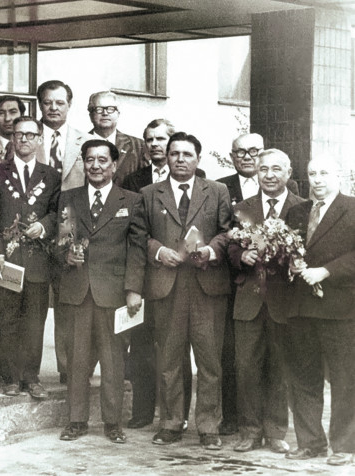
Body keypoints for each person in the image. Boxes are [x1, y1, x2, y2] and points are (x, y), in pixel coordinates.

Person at [137, 132, 232, 450]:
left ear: (198, 159)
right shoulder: (149, 193)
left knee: (209, 360)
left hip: (207, 286)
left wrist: (211, 250)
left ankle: (209, 426)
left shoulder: (217, 191)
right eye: (174, 153)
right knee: (170, 359)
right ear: (166, 157)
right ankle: (171, 423)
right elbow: (139, 235)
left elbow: (228, 232)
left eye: (187, 154)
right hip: (168, 286)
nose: (180, 159)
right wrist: (158, 251)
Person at [57, 139, 146, 443]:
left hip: (114, 292)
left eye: (102, 160)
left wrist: (133, 289)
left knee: (113, 361)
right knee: (77, 359)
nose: (95, 166)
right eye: (90, 160)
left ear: (114, 165)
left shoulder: (131, 201)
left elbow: (137, 249)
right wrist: (66, 256)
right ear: (83, 163)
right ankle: (76, 420)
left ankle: (112, 423)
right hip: (78, 290)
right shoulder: (69, 197)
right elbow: (59, 240)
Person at [216, 132, 300, 435]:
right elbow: (229, 245)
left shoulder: (301, 207)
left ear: (288, 173)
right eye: (264, 169)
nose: (269, 175)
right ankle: (249, 430)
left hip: (284, 301)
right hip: (248, 300)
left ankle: (276, 432)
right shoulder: (242, 208)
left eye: (276, 169)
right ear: (257, 173)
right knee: (245, 367)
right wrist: (242, 256)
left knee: (279, 367)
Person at [122, 119, 196, 431]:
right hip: (146, 275)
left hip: (181, 278)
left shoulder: (197, 179)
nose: (155, 144)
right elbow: (131, 231)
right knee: (141, 345)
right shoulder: (133, 180)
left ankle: (179, 414)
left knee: (177, 349)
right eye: (149, 139)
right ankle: (142, 411)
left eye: (161, 139)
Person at [284, 156, 355, 466]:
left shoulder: (352, 209)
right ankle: (310, 442)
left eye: (324, 173)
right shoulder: (297, 212)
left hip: (340, 309)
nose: (317, 179)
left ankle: (345, 445)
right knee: (303, 376)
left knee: (345, 378)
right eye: (312, 173)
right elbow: (286, 248)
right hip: (300, 307)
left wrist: (326, 271)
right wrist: (289, 264)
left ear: (339, 175)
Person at [0, 116, 61, 399]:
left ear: (40, 139)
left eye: (31, 135)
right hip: (5, 260)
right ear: (12, 138)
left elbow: (57, 212)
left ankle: (31, 378)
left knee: (34, 321)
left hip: (37, 261)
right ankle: (10, 377)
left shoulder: (51, 175)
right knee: (6, 318)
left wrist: (43, 226)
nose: (25, 139)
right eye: (19, 134)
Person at [35, 80, 87, 385]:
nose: (53, 108)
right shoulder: (27, 136)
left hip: (70, 228)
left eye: (59, 102)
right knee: (33, 303)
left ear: (69, 104)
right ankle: (26, 370)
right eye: (47, 102)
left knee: (68, 303)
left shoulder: (86, 141)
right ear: (40, 104)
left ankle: (68, 369)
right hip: (34, 228)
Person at [218, 133, 299, 207]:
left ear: (263, 154)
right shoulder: (219, 187)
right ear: (232, 157)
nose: (247, 157)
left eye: (253, 151)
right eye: (241, 152)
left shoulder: (287, 185)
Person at [85, 91, 146, 187]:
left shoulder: (138, 145)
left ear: (118, 114)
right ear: (90, 115)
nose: (105, 113)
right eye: (99, 109)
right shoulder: (79, 143)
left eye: (111, 109)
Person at [0, 95, 25, 163]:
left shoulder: (35, 148)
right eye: (1, 113)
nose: (7, 118)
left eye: (13, 112)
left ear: (22, 115)